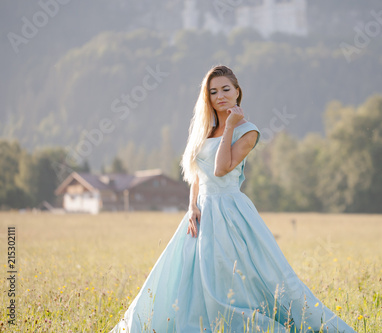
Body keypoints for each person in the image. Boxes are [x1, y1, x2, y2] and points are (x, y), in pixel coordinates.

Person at [109, 65, 356, 333]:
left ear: (238, 92)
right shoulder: (203, 131)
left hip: (230, 210)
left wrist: (229, 127)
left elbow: (221, 168)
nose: (220, 96)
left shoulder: (248, 131)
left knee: (241, 273)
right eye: (213, 91)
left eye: (226, 89)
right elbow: (197, 174)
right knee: (186, 275)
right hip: (201, 212)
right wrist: (191, 207)